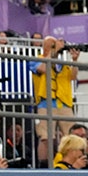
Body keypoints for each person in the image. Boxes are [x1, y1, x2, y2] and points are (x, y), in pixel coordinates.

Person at [30, 36, 79, 164]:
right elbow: (42, 69)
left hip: (64, 104)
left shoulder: (62, 63)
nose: (57, 47)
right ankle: (44, 165)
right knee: (46, 138)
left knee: (71, 137)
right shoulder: (37, 60)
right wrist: (51, 52)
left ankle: (70, 163)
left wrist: (75, 60)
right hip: (45, 104)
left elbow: (73, 77)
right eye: (53, 44)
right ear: (47, 46)